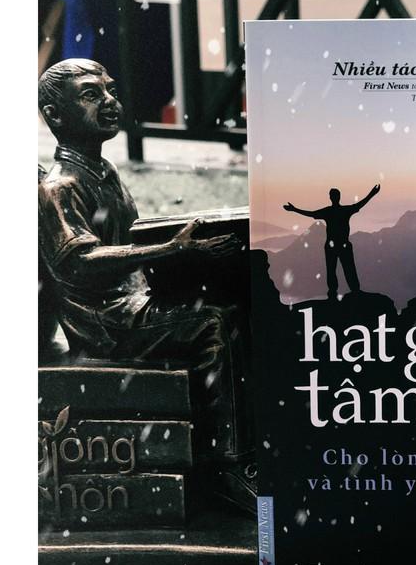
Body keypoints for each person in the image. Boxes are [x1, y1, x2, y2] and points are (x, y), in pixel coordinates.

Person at [37, 58, 255, 509]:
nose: (109, 102)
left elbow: (132, 241)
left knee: (240, 292)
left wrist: (185, 252)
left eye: (111, 91)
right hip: (106, 321)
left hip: (136, 298)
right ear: (54, 115)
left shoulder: (106, 173)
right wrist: (171, 250)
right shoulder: (59, 187)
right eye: (91, 94)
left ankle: (249, 439)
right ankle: (228, 465)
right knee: (215, 322)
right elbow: (79, 261)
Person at [283, 184, 381, 299]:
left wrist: (294, 209)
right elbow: (361, 204)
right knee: (348, 268)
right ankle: (354, 290)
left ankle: (334, 294)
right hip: (343, 245)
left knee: (332, 269)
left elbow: (311, 214)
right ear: (339, 197)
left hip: (331, 246)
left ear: (331, 197)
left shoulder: (328, 211)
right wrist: (372, 193)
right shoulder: (345, 210)